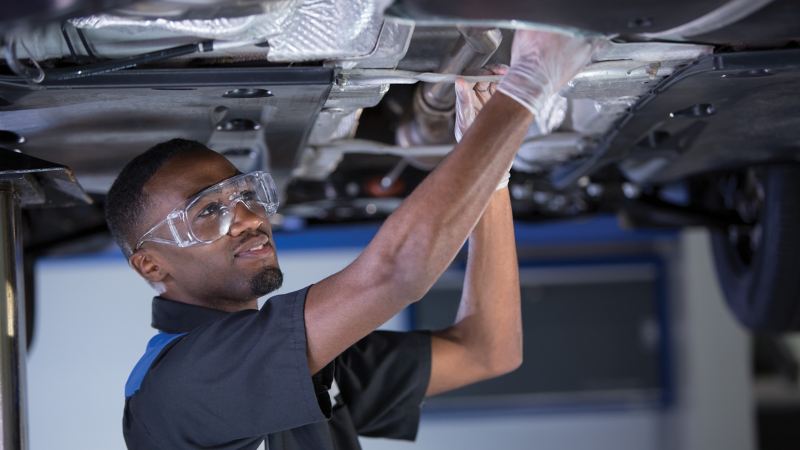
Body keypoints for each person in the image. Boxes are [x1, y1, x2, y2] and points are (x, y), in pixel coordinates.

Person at [106, 30, 593, 449]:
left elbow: (487, 350)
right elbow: (395, 274)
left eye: (247, 195)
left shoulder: (304, 355)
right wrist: (525, 88)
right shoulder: (180, 385)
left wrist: (492, 178)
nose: (248, 218)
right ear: (151, 265)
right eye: (208, 211)